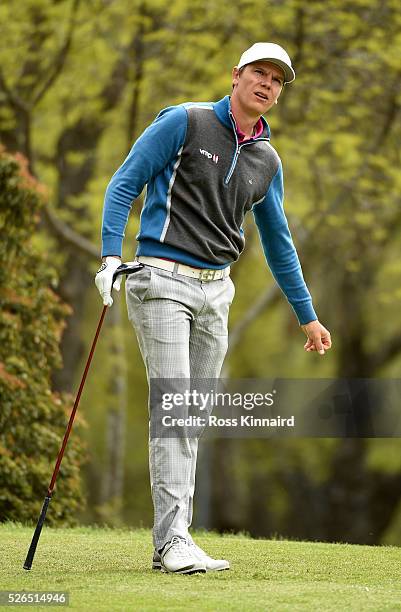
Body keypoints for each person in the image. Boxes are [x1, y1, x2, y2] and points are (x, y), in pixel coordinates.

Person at [95, 42, 332, 574]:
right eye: (258, 73)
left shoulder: (267, 159)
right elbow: (123, 183)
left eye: (277, 79)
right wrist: (111, 255)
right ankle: (174, 540)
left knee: (192, 413)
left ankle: (172, 540)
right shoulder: (185, 121)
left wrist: (307, 314)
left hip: (216, 291)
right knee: (176, 407)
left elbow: (279, 241)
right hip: (160, 280)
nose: (267, 84)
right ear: (236, 76)